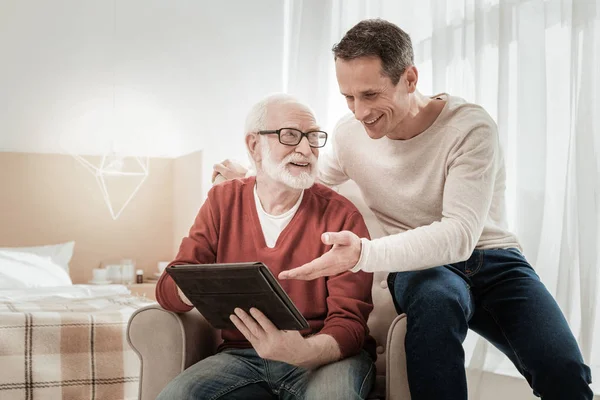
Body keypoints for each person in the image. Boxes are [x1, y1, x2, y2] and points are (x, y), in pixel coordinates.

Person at [213, 19, 593, 400]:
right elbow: (309, 180)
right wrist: (251, 173)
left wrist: (363, 254)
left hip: (493, 261)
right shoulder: (350, 136)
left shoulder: (469, 128)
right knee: (437, 300)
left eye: (370, 94)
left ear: (409, 79)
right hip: (421, 270)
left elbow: (459, 236)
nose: (359, 112)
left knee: (564, 370)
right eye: (348, 97)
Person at [155, 93, 376, 400]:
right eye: (289, 135)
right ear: (254, 145)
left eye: (313, 138)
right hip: (243, 356)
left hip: (325, 358)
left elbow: (351, 324)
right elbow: (168, 290)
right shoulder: (222, 201)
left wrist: (305, 351)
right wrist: (197, 284)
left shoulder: (342, 215)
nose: (305, 148)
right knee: (177, 396)